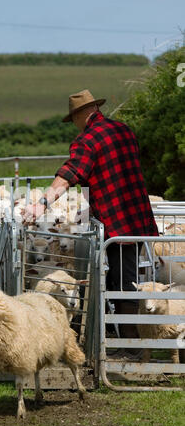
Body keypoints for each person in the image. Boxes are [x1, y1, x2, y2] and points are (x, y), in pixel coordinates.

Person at [22, 89, 159, 357]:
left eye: (74, 118)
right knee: (124, 277)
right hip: (137, 216)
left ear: (82, 115)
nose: (74, 123)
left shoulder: (87, 140)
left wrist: (40, 204)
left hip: (117, 221)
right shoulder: (124, 130)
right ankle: (123, 339)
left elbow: (68, 175)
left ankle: (130, 346)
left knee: (123, 281)